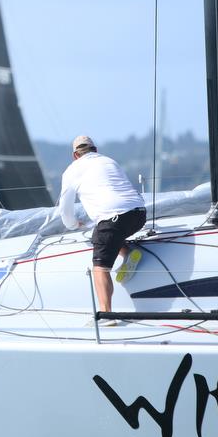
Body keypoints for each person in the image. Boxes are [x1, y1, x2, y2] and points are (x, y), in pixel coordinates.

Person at [58, 135, 146, 317]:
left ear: (75, 155)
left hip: (113, 219)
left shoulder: (72, 170)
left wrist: (73, 225)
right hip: (139, 214)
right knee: (105, 234)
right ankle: (128, 253)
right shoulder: (109, 161)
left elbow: (65, 209)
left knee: (100, 267)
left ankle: (106, 314)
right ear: (95, 150)